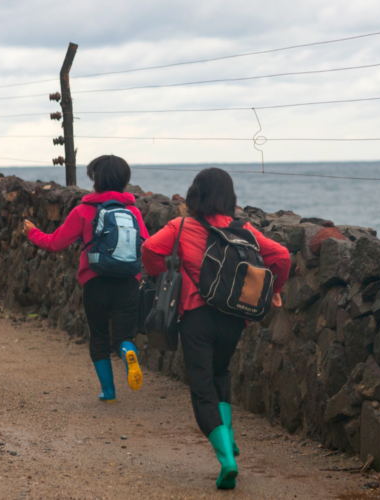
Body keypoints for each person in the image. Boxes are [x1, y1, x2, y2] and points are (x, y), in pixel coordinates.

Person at [141, 168, 290, 489]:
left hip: (196, 318)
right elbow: (281, 255)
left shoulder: (181, 226)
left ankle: (226, 459)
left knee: (202, 386)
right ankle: (229, 439)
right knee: (221, 373)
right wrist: (275, 289)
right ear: (229, 196)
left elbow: (150, 250)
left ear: (196, 193)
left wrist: (159, 275)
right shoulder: (245, 230)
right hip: (235, 318)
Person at [23, 155, 149, 403]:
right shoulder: (132, 211)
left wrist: (32, 232)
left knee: (99, 337)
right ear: (125, 180)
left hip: (95, 281)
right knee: (124, 336)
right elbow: (146, 245)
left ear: (95, 179)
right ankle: (128, 352)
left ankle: (109, 392)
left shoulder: (83, 211)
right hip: (128, 282)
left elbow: (55, 243)